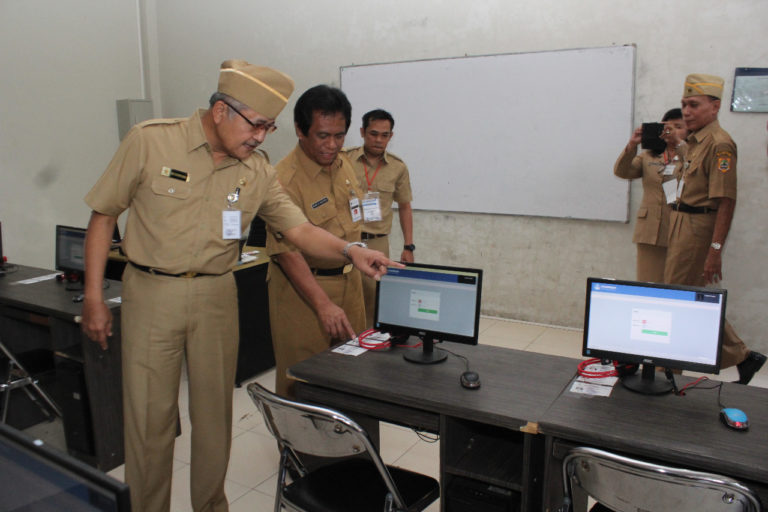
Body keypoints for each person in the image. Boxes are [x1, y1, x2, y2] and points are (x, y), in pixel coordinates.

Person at [81, 61, 398, 512]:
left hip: (216, 296)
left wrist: (350, 251)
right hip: (152, 293)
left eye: (268, 128)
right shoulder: (151, 140)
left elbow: (300, 230)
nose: (261, 137)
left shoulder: (257, 170)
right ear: (220, 111)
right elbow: (103, 215)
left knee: (215, 418)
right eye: (257, 125)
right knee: (149, 421)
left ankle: (211, 506)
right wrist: (93, 297)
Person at [663, 73, 765, 385]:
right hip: (682, 221)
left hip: (698, 225)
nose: (687, 111)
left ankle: (670, 371)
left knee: (678, 298)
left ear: (715, 106)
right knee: (688, 294)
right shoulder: (694, 142)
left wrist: (715, 250)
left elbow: (726, 201)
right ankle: (742, 356)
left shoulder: (721, 145)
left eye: (694, 104)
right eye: (683, 105)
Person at [343, 109, 415, 327]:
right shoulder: (344, 160)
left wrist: (408, 246)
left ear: (391, 137)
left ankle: (370, 343)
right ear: (363, 132)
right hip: (345, 239)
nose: (378, 140)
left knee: (375, 297)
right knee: (344, 295)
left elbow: (404, 207)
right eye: (374, 134)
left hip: (377, 241)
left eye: (385, 135)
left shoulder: (398, 167)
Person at [614, 109, 687, 283]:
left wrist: (678, 144)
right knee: (648, 284)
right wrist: (632, 145)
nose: (673, 131)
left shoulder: (694, 154)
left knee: (678, 286)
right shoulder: (649, 156)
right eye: (669, 127)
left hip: (680, 230)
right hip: (650, 232)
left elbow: (697, 168)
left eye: (678, 127)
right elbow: (622, 171)